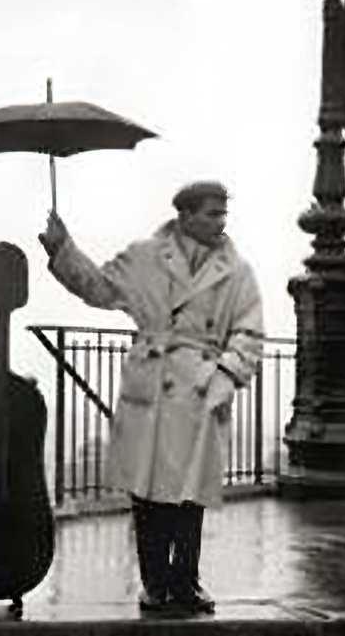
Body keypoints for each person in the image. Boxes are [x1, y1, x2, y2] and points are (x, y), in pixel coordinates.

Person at [39, 181, 263, 614]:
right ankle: (155, 583)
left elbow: (249, 334)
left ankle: (187, 582)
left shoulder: (236, 272)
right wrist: (61, 248)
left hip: (200, 389)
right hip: (151, 388)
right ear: (186, 216)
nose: (221, 222)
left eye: (223, 214)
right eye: (212, 213)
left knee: (189, 493)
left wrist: (222, 377)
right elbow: (100, 287)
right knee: (147, 492)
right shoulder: (145, 258)